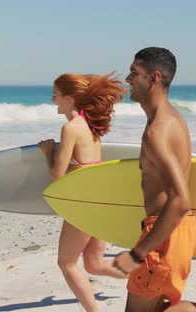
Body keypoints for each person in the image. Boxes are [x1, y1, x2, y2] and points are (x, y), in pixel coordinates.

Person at [112, 47, 196, 312]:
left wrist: (137, 253)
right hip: (177, 232)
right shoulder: (172, 118)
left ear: (153, 78)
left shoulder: (158, 130)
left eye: (134, 73)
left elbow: (180, 200)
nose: (128, 79)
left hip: (162, 233)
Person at [38, 73, 128, 312]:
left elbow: (58, 175)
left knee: (66, 263)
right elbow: (83, 164)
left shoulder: (71, 128)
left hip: (84, 204)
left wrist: (48, 154)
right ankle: (148, 276)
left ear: (68, 98)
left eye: (56, 95)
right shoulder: (91, 124)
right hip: (101, 200)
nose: (53, 100)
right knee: (94, 264)